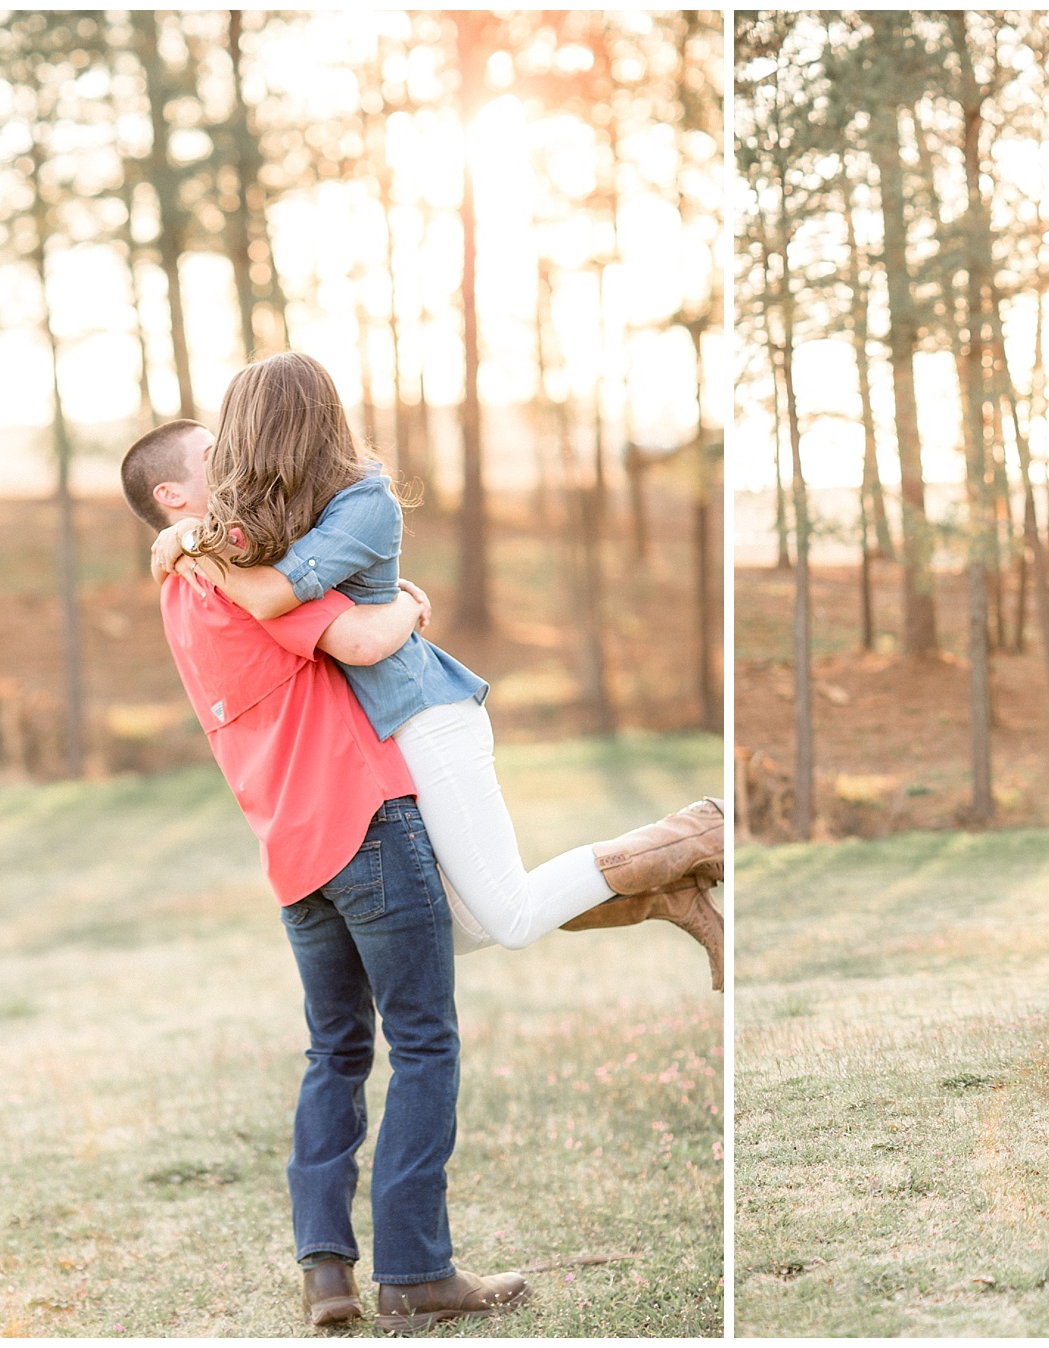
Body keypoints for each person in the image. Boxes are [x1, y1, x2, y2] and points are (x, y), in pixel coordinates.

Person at [120, 427, 526, 1330]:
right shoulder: (237, 586)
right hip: (366, 819)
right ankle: (418, 1274)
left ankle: (327, 1278)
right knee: (423, 1041)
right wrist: (414, 601)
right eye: (211, 458)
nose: (234, 461)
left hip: (292, 855)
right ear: (174, 501)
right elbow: (365, 640)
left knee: (336, 1052)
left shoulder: (181, 591)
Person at [141, 379, 724, 989]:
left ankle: (695, 830)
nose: (232, 448)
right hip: (385, 733)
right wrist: (184, 534)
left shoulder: (365, 499)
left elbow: (299, 613)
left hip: (423, 713)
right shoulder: (285, 509)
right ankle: (666, 893)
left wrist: (185, 543)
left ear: (277, 429)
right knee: (458, 928)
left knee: (511, 917)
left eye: (235, 433)